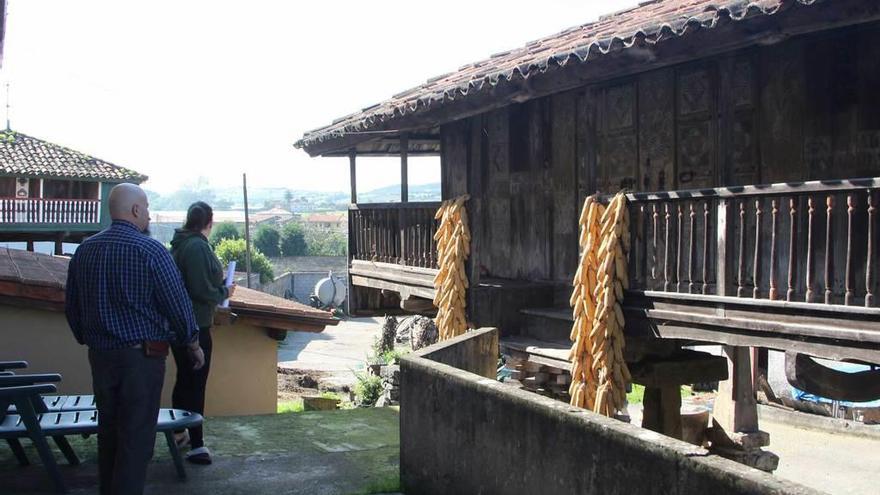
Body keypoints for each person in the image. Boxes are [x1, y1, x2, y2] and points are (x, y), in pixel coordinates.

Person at [65, 183, 204, 495]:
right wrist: (192, 343)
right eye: (148, 209)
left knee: (109, 434)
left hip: (100, 356)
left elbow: (72, 306)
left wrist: (87, 337)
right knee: (136, 439)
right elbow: (177, 304)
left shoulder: (85, 250)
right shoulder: (150, 250)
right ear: (137, 210)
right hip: (142, 359)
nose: (149, 215)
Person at [169, 201, 234, 465]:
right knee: (195, 383)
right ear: (209, 222)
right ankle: (196, 444)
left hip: (183, 324)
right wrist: (223, 293)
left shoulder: (183, 243)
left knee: (185, 381)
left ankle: (179, 432)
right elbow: (199, 288)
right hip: (195, 325)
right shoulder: (196, 247)